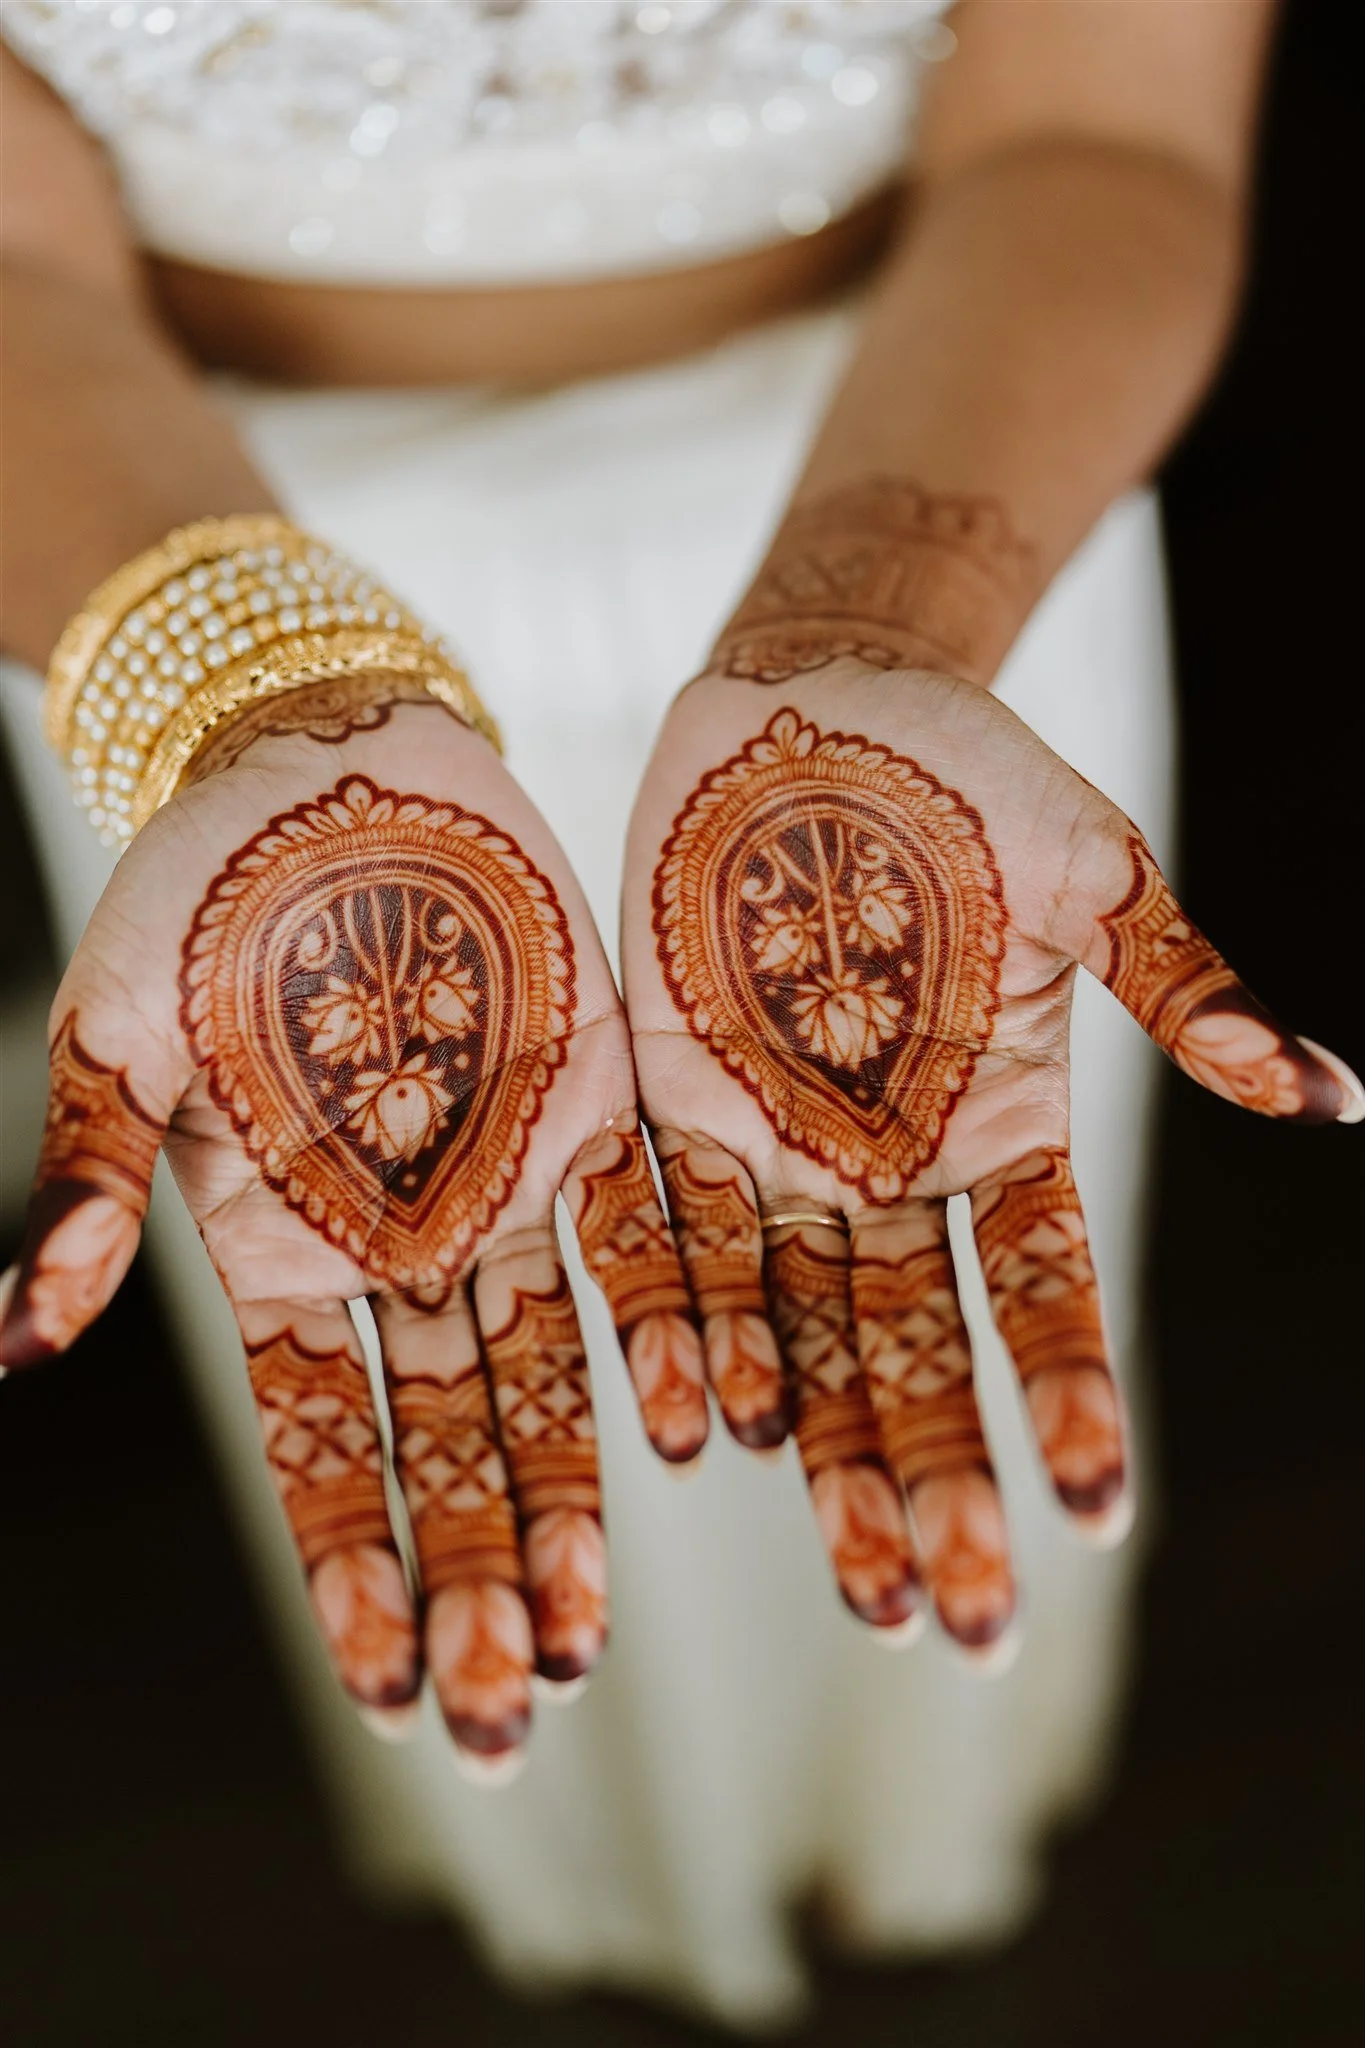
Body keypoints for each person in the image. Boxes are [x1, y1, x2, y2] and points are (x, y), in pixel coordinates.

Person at [1, 1, 1357, 2027]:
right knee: (404, 1330)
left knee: (939, 1321)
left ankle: (922, 1798)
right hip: (151, 550)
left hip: (948, 498)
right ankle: (588, 1846)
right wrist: (258, 708)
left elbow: (1102, 134)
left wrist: (867, 621)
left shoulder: (912, 629)